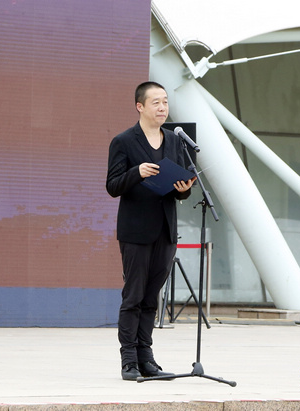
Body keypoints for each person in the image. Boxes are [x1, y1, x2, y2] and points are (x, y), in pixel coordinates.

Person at [106, 81, 196, 381]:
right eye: (156, 102)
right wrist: (137, 172)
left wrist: (183, 189)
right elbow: (112, 185)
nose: (162, 107)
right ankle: (129, 361)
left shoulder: (175, 141)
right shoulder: (123, 141)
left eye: (165, 102)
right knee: (133, 296)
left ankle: (147, 359)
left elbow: (180, 189)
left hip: (165, 230)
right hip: (135, 231)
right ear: (140, 106)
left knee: (151, 298)